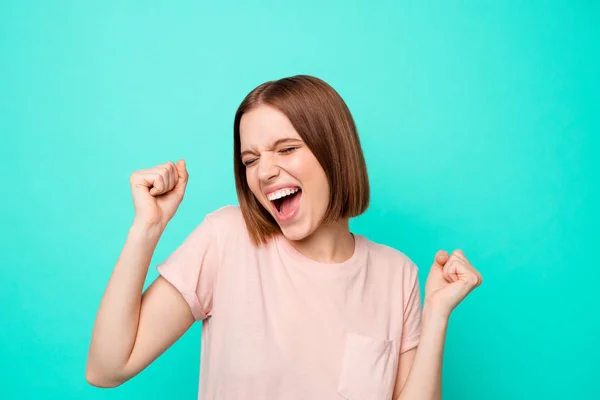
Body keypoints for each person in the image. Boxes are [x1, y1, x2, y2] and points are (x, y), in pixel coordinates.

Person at [86, 75, 483, 399]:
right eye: (251, 159)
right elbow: (107, 368)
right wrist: (147, 228)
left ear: (334, 152)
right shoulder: (226, 238)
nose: (264, 172)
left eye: (286, 149)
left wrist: (436, 316)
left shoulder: (396, 274)